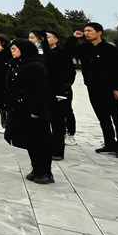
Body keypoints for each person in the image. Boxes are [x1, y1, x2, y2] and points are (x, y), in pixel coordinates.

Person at [66, 22, 118, 158]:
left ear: (99, 32)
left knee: (117, 117)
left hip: (110, 89)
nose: (86, 33)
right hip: (93, 88)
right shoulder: (84, 48)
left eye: (90, 30)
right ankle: (110, 143)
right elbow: (67, 53)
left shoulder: (110, 49)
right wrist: (74, 38)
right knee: (103, 117)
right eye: (85, 31)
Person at [5, 39, 53, 184]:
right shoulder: (17, 63)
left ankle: (45, 172)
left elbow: (41, 89)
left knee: (40, 141)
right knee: (30, 141)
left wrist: (36, 110)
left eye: (15, 49)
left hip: (33, 109)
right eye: (11, 49)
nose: (12, 52)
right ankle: (36, 169)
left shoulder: (36, 65)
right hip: (20, 108)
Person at [41, 30, 76, 161]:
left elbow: (70, 73)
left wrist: (63, 92)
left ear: (56, 39)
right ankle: (47, 147)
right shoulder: (41, 53)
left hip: (59, 92)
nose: (45, 39)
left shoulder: (62, 53)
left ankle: (58, 150)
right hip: (44, 91)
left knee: (58, 122)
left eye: (48, 37)